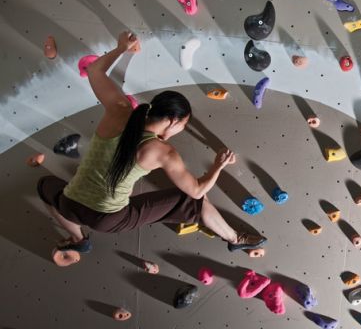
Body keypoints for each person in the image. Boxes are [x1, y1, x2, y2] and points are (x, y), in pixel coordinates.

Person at [36, 31, 266, 259]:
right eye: (182, 126)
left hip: (69, 204)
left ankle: (79, 240)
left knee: (45, 185)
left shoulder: (119, 109)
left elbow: (94, 70)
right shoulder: (162, 151)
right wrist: (218, 165)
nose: (179, 131)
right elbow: (197, 190)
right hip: (106, 219)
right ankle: (235, 240)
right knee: (191, 202)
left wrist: (120, 48)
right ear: (174, 121)